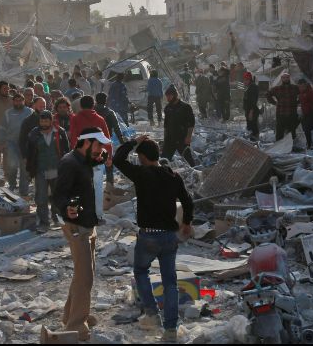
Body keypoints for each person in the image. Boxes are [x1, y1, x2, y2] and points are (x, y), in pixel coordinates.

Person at [113, 136, 194, 342]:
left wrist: (133, 141)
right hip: (169, 237)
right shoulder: (173, 176)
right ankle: (170, 330)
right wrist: (187, 223)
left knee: (141, 271)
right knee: (170, 283)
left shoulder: (141, 174)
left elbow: (118, 159)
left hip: (148, 235)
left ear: (141, 157)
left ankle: (151, 313)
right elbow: (187, 201)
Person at [54, 127, 111, 341]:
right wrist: (66, 207)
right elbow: (58, 195)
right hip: (77, 227)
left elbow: (97, 160)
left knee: (83, 273)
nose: (101, 150)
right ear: (86, 143)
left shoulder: (85, 158)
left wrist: (101, 155)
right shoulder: (70, 163)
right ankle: (77, 325)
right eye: (98, 146)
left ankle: (71, 314)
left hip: (87, 223)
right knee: (85, 276)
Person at [70, 96, 112, 224]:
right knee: (98, 187)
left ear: (81, 106)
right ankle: (98, 216)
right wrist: (109, 157)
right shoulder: (100, 119)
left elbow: (73, 138)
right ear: (93, 105)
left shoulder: (75, 119)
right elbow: (107, 139)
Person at [26, 110, 70, 230]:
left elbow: (67, 151)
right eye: (42, 120)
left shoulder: (59, 132)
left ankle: (58, 219)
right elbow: (30, 154)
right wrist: (29, 171)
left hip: (57, 169)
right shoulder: (34, 134)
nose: (44, 123)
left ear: (51, 120)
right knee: (41, 197)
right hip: (40, 170)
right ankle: (44, 222)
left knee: (58, 195)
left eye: (46, 120)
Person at [0, 94, 33, 196]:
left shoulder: (30, 112)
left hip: (26, 144)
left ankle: (23, 191)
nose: (18, 103)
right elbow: (2, 128)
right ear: (13, 102)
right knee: (12, 165)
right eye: (16, 101)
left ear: (23, 101)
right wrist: (2, 142)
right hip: (11, 143)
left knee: (24, 167)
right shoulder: (8, 113)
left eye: (20, 101)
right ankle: (12, 185)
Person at [95, 92, 124, 186]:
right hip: (105, 141)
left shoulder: (92, 112)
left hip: (92, 142)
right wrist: (122, 141)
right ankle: (109, 184)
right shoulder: (110, 112)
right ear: (106, 101)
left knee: (94, 165)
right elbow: (117, 128)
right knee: (108, 163)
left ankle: (95, 185)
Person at [162, 85, 195, 166]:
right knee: (164, 159)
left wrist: (188, 137)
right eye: (167, 96)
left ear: (175, 95)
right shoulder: (167, 108)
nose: (168, 98)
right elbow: (166, 125)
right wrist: (165, 138)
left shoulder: (185, 107)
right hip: (170, 138)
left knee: (188, 159)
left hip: (182, 138)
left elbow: (191, 123)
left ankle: (196, 173)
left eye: (169, 96)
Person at [267, 72, 300, 141]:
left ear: (289, 78)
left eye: (287, 77)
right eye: (284, 77)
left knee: (292, 131)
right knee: (279, 132)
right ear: (281, 79)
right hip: (281, 113)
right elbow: (268, 94)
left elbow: (303, 93)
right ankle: (279, 147)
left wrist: (298, 102)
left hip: (292, 113)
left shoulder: (295, 87)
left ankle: (292, 146)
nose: (286, 79)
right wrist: (274, 103)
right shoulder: (277, 88)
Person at [19, 97, 48, 168]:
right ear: (34, 105)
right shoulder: (28, 121)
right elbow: (22, 140)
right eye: (40, 106)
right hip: (33, 155)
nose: (43, 108)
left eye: (44, 106)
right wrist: (24, 156)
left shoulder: (51, 120)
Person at [298, 79, 313, 149]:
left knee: (307, 129)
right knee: (304, 129)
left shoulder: (311, 92)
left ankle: (309, 145)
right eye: (300, 87)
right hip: (304, 113)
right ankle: (307, 143)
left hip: (311, 113)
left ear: (305, 85)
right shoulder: (300, 94)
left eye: (303, 86)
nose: (301, 88)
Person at [242, 73, 260, 140]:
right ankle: (253, 142)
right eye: (244, 80)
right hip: (249, 111)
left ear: (250, 80)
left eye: (246, 80)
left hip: (252, 111)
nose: (244, 81)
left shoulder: (253, 87)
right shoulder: (250, 87)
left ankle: (255, 142)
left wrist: (251, 112)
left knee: (253, 128)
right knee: (250, 127)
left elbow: (253, 101)